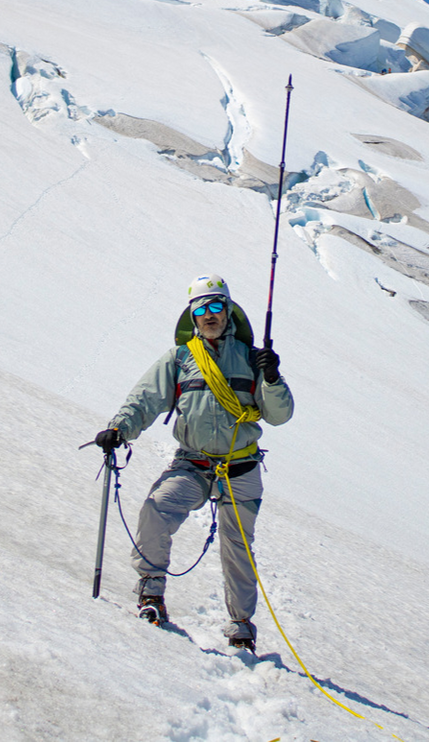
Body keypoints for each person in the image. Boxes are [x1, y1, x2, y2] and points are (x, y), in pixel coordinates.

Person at [95, 274, 294, 651]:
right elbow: (146, 399)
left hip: (241, 467)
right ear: (192, 315)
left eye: (216, 306)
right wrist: (119, 429)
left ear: (229, 310)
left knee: (237, 546)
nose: (209, 315)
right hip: (193, 464)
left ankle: (241, 626)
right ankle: (151, 596)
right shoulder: (181, 358)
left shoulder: (254, 359)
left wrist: (271, 377)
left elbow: (279, 415)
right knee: (155, 511)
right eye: (201, 308)